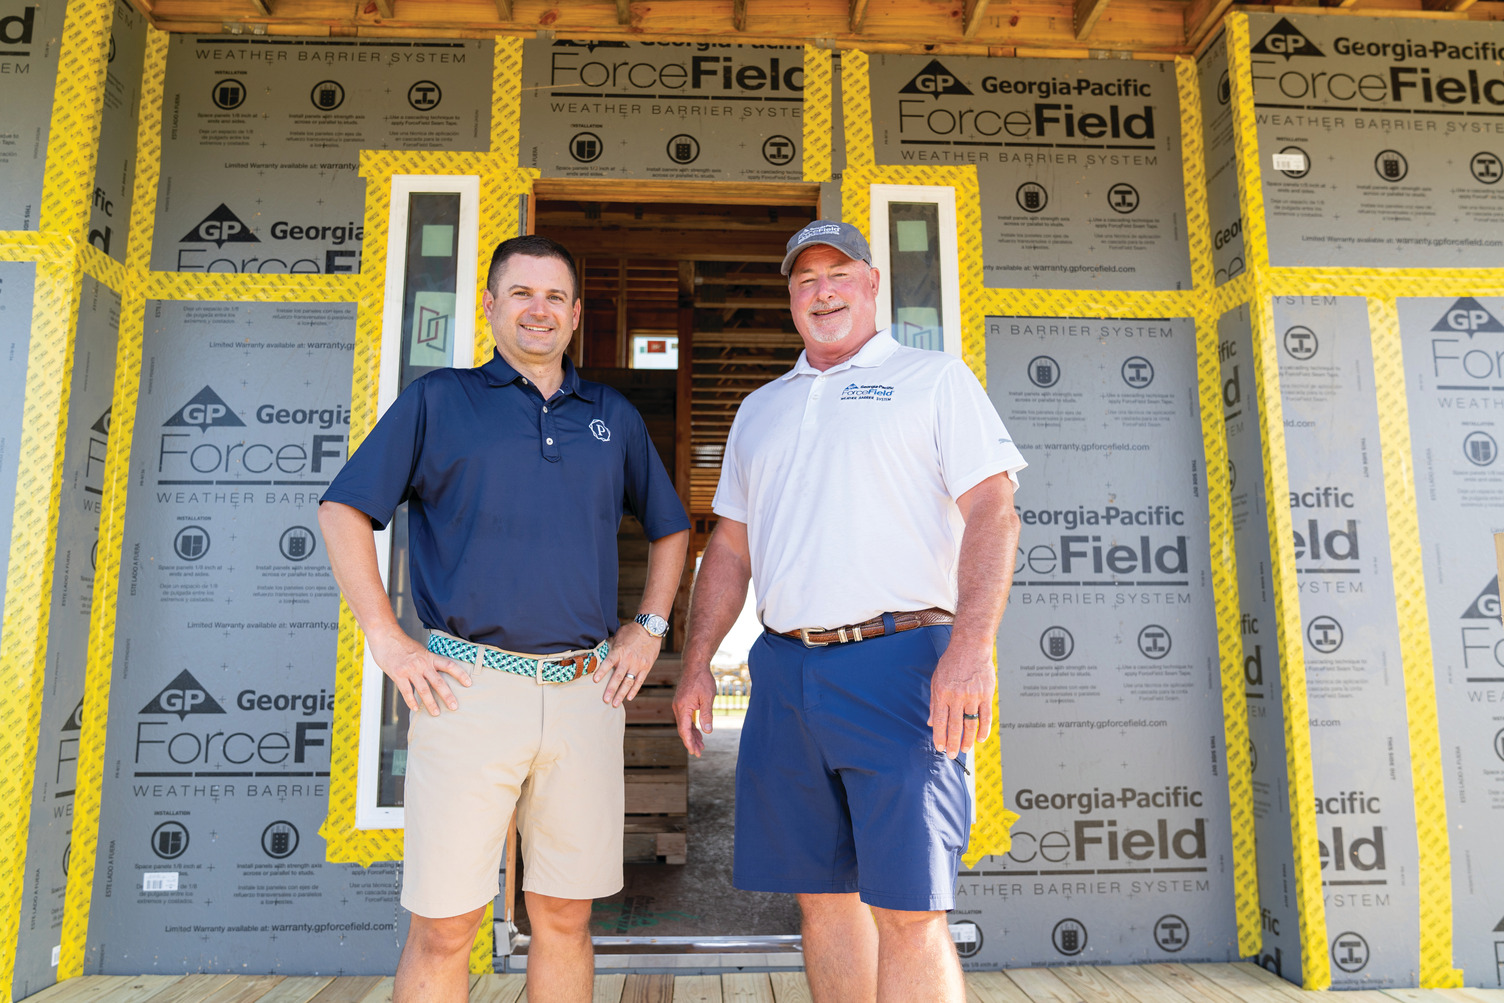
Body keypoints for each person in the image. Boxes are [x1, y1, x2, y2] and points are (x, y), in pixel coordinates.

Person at [319, 234, 690, 1003]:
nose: (538, 309)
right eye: (520, 292)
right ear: (489, 305)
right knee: (446, 924)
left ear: (578, 314)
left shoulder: (611, 416)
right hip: (468, 690)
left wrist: (648, 626)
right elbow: (344, 508)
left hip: (588, 693)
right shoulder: (438, 401)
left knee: (564, 915)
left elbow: (671, 527)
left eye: (555, 296)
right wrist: (387, 638)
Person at [671, 221, 1025, 1003]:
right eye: (805, 280)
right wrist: (697, 663)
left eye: (838, 274)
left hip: (900, 662)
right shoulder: (760, 409)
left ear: (871, 284)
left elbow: (995, 511)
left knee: (909, 904)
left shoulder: (934, 380)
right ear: (790, 297)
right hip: (786, 669)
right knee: (822, 895)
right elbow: (729, 549)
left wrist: (970, 651)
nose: (822, 291)